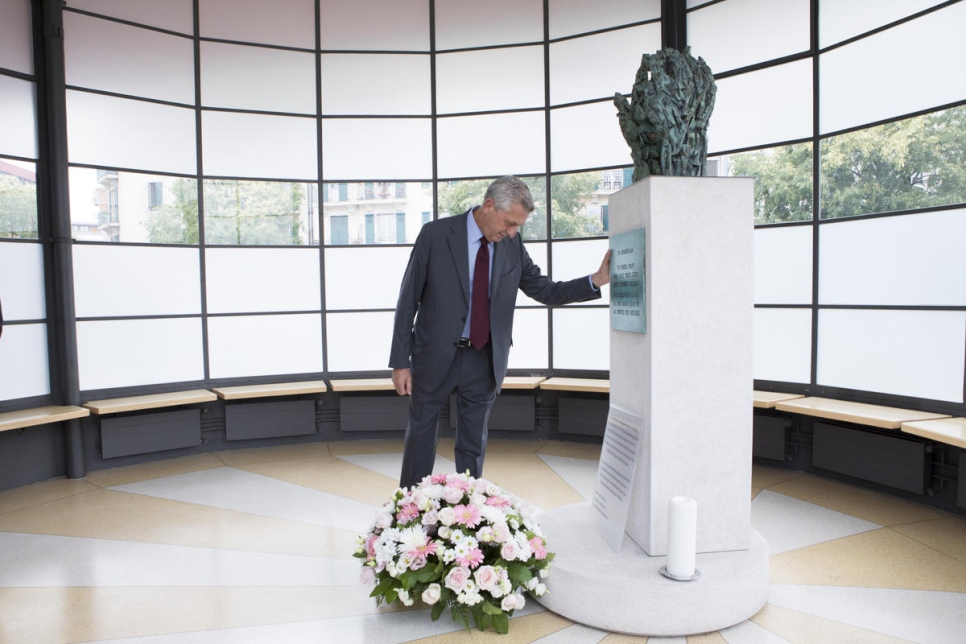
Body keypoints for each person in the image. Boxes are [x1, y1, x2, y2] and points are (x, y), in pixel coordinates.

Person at [389, 175, 611, 489]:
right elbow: (407, 299)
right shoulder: (435, 235)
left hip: (485, 358)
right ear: (489, 206)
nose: (511, 232)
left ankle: (465, 517)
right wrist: (401, 361)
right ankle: (409, 514)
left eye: (517, 226)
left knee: (472, 445)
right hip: (434, 355)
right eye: (508, 223)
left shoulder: (511, 244)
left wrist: (596, 280)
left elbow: (544, 289)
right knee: (421, 437)